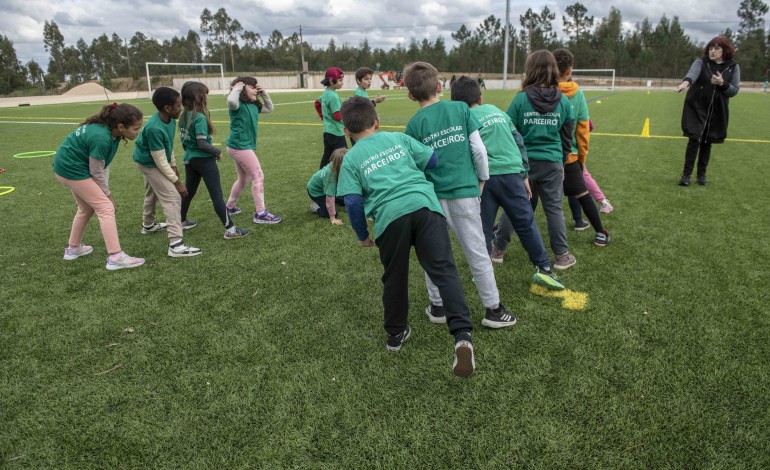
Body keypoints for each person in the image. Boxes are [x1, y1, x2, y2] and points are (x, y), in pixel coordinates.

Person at [336, 96, 476, 378]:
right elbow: (433, 159)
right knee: (445, 271)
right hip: (426, 207)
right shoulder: (398, 138)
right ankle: (462, 336)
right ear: (377, 121)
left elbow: (351, 201)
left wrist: (363, 235)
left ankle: (396, 334)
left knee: (395, 276)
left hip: (390, 218)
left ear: (346, 131)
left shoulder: (350, 157)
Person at [403, 61, 516, 329]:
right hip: (465, 194)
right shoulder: (461, 110)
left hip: (432, 200)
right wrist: (482, 180)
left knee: (434, 253)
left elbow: (417, 165)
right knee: (478, 251)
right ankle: (493, 310)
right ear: (440, 86)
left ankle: (438, 305)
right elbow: (479, 150)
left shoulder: (414, 124)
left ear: (410, 95)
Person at [450, 76, 564, 290]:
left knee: (481, 227)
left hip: (485, 180)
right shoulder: (497, 111)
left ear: (455, 102)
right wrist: (524, 175)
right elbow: (518, 141)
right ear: (480, 97)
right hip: (512, 175)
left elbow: (464, 152)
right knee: (526, 223)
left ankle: (482, 272)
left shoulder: (462, 119)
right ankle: (544, 269)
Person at [498, 50, 578, 269]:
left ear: (529, 70)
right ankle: (561, 256)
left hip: (524, 163)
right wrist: (561, 163)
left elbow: (509, 131)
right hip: (552, 162)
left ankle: (498, 250)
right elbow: (566, 135)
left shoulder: (520, 100)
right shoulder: (562, 100)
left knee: (514, 206)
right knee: (554, 210)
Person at [53, 103, 145, 270]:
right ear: (121, 127)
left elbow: (102, 167)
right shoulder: (102, 138)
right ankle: (116, 257)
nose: (138, 132)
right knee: (106, 208)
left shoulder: (111, 133)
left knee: (86, 208)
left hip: (68, 168)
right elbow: (96, 172)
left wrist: (104, 192)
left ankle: (73, 249)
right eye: (136, 128)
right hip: (72, 170)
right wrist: (108, 197)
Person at [551, 48, 610, 247]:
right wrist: (582, 157)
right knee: (582, 194)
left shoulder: (541, 90)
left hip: (544, 156)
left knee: (528, 197)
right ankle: (600, 233)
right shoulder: (577, 93)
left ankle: (500, 242)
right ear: (570, 70)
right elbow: (583, 128)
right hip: (570, 156)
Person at [133, 87, 202, 257]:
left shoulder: (170, 120)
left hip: (154, 160)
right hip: (148, 162)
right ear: (167, 108)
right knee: (172, 197)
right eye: (178, 105)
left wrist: (174, 166)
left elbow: (167, 147)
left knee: (153, 193)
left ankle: (148, 225)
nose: (181, 108)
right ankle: (176, 245)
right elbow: (159, 160)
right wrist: (176, 182)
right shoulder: (154, 128)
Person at [178, 81, 249, 240]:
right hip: (204, 161)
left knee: (188, 193)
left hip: (190, 160)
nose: (207, 98)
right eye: (205, 95)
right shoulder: (199, 117)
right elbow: (202, 143)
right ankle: (230, 230)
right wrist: (216, 151)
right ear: (199, 97)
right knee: (217, 196)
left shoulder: (183, 116)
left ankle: (181, 221)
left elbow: (188, 141)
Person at [676, 36, 740, 186]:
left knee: (707, 141)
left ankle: (701, 175)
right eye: (711, 48)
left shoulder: (733, 67)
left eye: (717, 48)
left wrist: (722, 84)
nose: (713, 51)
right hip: (697, 107)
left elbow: (734, 90)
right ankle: (686, 175)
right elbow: (692, 75)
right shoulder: (701, 62)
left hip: (717, 110)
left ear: (725, 51)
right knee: (694, 139)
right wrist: (685, 84)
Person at [224, 76, 282, 224]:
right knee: (258, 175)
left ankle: (229, 207)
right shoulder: (236, 105)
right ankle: (260, 213)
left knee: (243, 179)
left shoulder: (254, 105)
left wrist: (264, 94)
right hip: (239, 146)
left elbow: (269, 108)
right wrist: (237, 87)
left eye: (256, 87)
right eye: (252, 87)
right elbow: (231, 100)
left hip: (239, 146)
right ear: (243, 89)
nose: (256, 89)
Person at [314, 67, 347, 168]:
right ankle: (343, 177)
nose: (342, 83)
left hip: (327, 131)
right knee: (343, 156)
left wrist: (323, 117)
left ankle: (321, 175)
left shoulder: (326, 93)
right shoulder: (333, 96)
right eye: (340, 80)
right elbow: (337, 116)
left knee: (327, 156)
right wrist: (348, 121)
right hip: (337, 132)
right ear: (332, 81)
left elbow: (316, 103)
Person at [307, 148, 346, 224]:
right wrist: (333, 219)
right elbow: (330, 199)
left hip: (324, 186)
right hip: (316, 192)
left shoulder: (336, 164)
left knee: (345, 201)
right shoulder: (331, 177)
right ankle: (316, 207)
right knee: (332, 213)